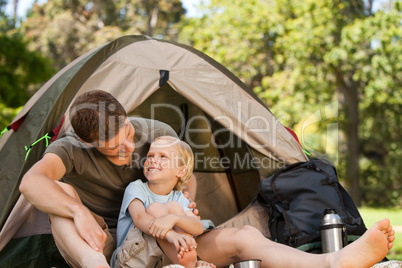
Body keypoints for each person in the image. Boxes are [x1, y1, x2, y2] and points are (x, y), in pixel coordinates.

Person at [20, 90, 395, 268]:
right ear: (87, 143)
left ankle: (334, 263)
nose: (130, 150)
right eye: (114, 148)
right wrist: (79, 211)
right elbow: (31, 184)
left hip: (176, 245)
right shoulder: (71, 149)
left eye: (129, 135)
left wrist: (184, 203)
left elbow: (188, 177)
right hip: (113, 248)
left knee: (244, 236)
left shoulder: (156, 132)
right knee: (60, 195)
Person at [112, 136, 215, 268]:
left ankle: (188, 263)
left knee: (174, 208)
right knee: (155, 208)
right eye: (150, 155)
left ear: (181, 171)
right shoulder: (136, 188)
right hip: (131, 260)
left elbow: (198, 227)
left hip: (163, 260)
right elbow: (139, 218)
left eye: (163, 157)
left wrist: (174, 219)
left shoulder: (179, 197)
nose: (153, 160)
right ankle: (192, 264)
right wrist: (171, 235)